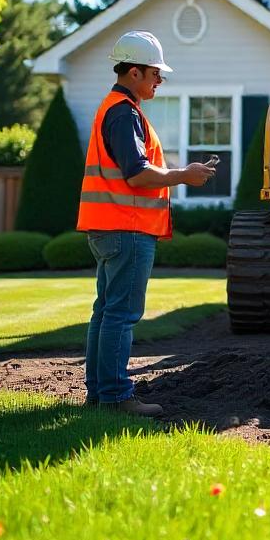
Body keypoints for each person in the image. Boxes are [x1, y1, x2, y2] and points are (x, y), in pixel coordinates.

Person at [77, 30, 216, 416]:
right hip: (128, 228)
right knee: (120, 315)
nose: (159, 80)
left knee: (105, 312)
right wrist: (183, 175)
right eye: (156, 73)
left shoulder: (114, 108)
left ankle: (100, 395)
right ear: (134, 73)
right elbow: (137, 175)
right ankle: (117, 397)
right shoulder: (124, 113)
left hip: (108, 227)